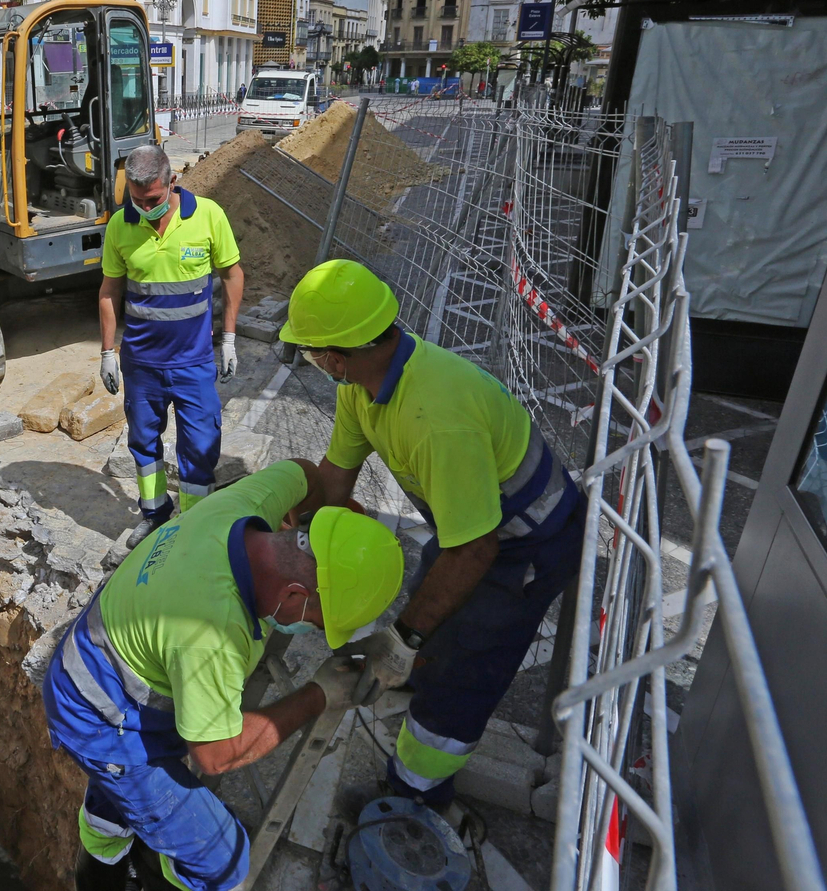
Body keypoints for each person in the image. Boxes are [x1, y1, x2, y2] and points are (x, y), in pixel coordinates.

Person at [278, 260, 585, 808]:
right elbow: (334, 480)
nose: (313, 361)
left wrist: (402, 639)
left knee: (462, 670)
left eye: (311, 350)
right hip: (469, 524)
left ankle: (412, 797)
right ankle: (415, 683)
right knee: (429, 617)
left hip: (530, 541)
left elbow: (475, 550)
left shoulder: (433, 415)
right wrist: (283, 530)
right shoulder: (363, 386)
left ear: (337, 353)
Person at [43, 459, 404, 890]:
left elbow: (306, 473)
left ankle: (108, 847)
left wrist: (340, 534)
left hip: (101, 650)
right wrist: (319, 695)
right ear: (293, 593)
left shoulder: (246, 505)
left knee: (122, 798)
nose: (319, 632)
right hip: (98, 715)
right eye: (321, 622)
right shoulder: (212, 635)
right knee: (222, 861)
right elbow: (213, 754)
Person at [99, 145, 244, 545]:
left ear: (172, 182)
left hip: (193, 363)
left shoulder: (208, 216)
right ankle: (156, 514)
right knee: (144, 443)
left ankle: (193, 530)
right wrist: (107, 352)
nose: (144, 207)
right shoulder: (119, 226)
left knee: (200, 446)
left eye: (153, 199)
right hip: (142, 364)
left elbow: (233, 275)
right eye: (136, 199)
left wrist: (229, 338)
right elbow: (109, 290)